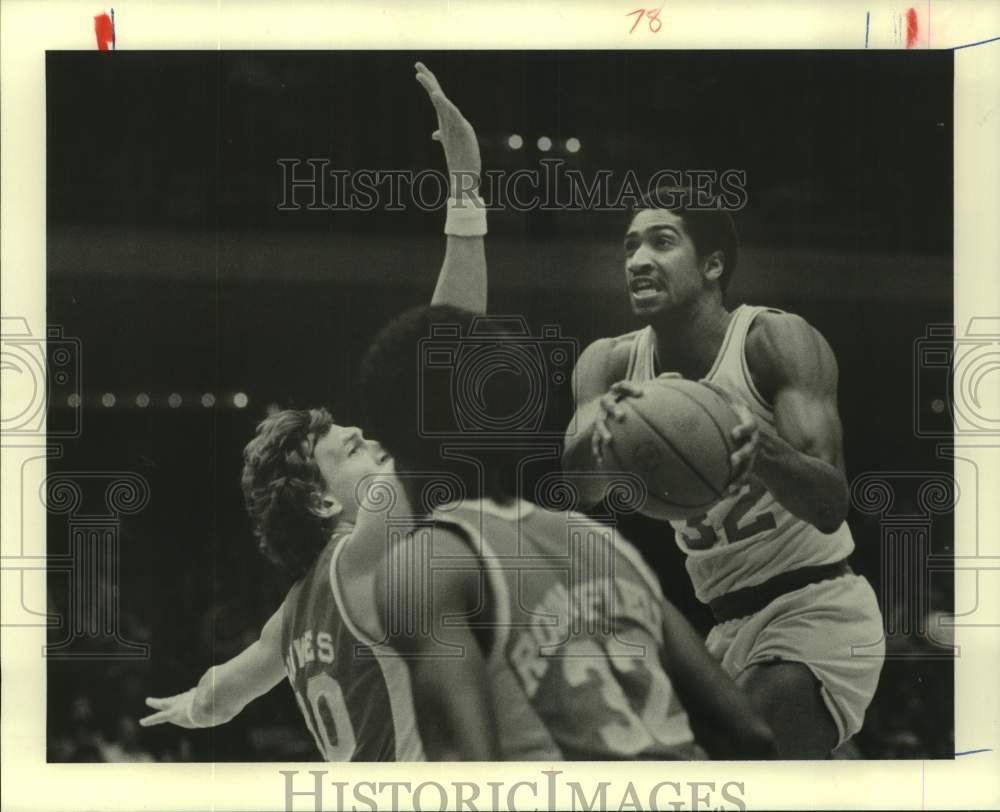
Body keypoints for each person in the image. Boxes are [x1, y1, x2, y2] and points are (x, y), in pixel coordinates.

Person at [138, 63, 490, 760]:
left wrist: (196, 705)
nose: (369, 437)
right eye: (350, 449)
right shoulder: (366, 551)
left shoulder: (289, 621)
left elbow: (223, 694)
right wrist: (465, 189)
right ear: (324, 504)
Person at [357, 302, 776, 760]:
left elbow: (467, 776)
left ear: (385, 433)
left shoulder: (425, 565)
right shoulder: (600, 542)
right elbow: (751, 733)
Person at [561, 185, 885, 758]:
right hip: (723, 625)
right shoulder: (608, 364)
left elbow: (831, 504)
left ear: (712, 266)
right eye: (630, 246)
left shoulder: (773, 341)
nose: (638, 260)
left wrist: (759, 446)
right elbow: (582, 492)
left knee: (714, 767)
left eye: (662, 242)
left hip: (818, 607)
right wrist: (599, 435)